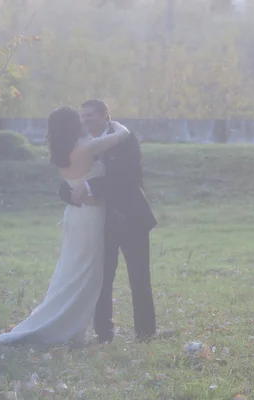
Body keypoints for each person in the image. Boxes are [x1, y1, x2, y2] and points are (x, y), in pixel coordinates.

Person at [0, 106, 130, 346]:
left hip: (75, 215)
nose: (83, 121)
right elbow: (123, 135)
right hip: (91, 217)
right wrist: (113, 122)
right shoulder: (86, 147)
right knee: (85, 275)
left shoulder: (63, 150)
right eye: (79, 118)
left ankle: (71, 327)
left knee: (72, 272)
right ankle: (64, 328)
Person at [58, 99, 158, 344]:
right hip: (100, 222)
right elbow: (69, 177)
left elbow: (125, 177)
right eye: (82, 116)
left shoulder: (125, 140)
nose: (85, 120)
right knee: (102, 278)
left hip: (131, 218)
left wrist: (90, 185)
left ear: (105, 116)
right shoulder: (81, 143)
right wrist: (69, 194)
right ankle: (104, 333)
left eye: (90, 115)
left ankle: (145, 333)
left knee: (139, 278)